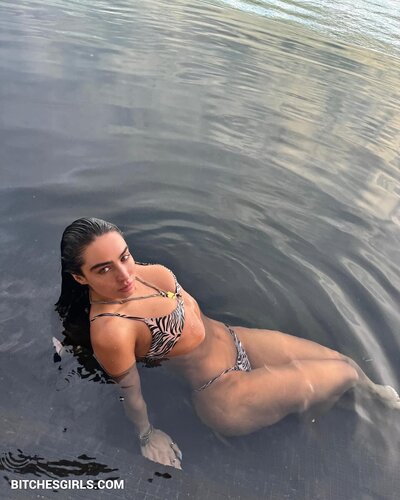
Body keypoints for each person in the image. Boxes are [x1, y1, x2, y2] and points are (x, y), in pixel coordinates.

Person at [55, 217, 400, 470]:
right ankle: (326, 406)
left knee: (347, 364)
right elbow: (129, 392)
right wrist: (147, 435)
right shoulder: (111, 330)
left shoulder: (144, 275)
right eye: (103, 269)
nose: (124, 275)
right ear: (80, 277)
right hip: (220, 391)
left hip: (238, 340)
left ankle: (366, 394)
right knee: (343, 375)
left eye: (124, 256)